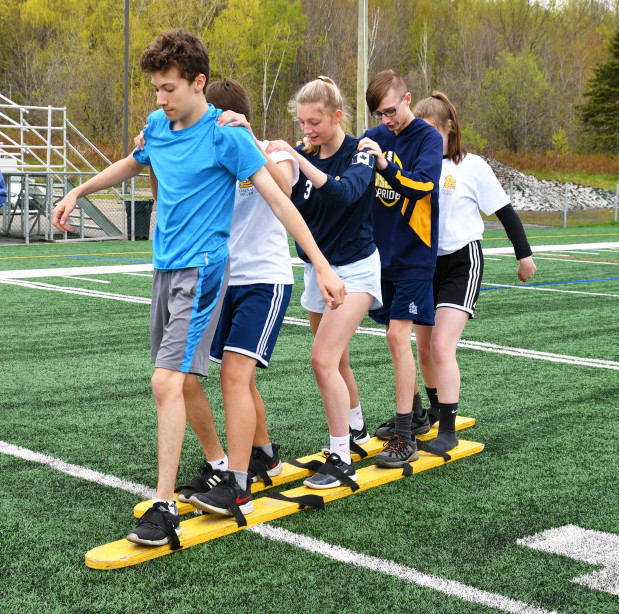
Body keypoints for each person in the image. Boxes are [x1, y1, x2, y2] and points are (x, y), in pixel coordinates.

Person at [52, 29, 345, 549]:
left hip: (203, 270)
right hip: (163, 269)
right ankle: (220, 468)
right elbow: (134, 163)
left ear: (198, 82)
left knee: (166, 383)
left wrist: (320, 264)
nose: (160, 98)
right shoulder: (157, 128)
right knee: (178, 383)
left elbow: (280, 201)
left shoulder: (225, 136)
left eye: (168, 88)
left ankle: (166, 506)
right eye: (155, 90)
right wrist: (79, 188)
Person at [133, 78, 323, 519]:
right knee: (211, 378)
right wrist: (155, 150)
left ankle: (237, 482)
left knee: (235, 377)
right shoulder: (196, 144)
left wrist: (248, 137)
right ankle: (254, 456)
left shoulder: (267, 149)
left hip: (265, 279)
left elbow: (284, 191)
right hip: (220, 275)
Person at [265, 76, 381, 489]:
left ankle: (341, 457)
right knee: (338, 360)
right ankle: (357, 429)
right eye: (301, 122)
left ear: (336, 116)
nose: (307, 130)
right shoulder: (300, 153)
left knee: (322, 359)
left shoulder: (362, 151)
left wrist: (301, 160)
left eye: (314, 122)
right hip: (318, 270)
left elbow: (346, 194)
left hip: (357, 270)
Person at [412, 92, 536, 452]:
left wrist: (523, 256)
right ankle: (434, 410)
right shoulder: (419, 165)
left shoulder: (472, 166)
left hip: (462, 262)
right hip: (425, 264)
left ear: (449, 128)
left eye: (432, 130)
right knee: (422, 349)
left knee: (441, 346)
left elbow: (505, 212)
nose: (425, 138)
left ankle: (447, 430)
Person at [357, 70, 443, 468]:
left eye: (391, 110)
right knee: (388, 333)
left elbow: (423, 186)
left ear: (408, 98)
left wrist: (385, 167)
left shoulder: (427, 138)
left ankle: (405, 434)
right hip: (379, 255)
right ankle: (418, 412)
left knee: (397, 337)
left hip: (414, 254)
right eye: (380, 112)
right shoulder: (373, 136)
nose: (386, 118)